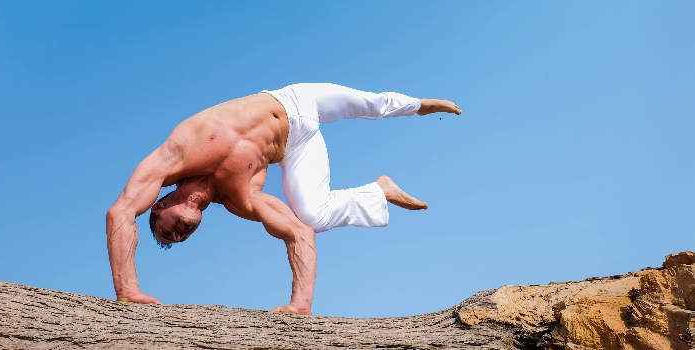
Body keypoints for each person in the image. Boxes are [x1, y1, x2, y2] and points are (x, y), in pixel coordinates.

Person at [106, 83, 462, 315]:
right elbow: (297, 232)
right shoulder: (240, 198)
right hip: (297, 145)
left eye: (167, 232)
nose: (178, 236)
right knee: (313, 218)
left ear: (158, 206)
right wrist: (300, 304)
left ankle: (420, 105)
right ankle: (377, 191)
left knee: (370, 104)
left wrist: (127, 292)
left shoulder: (176, 156)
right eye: (180, 239)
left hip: (294, 100)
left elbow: (120, 211)